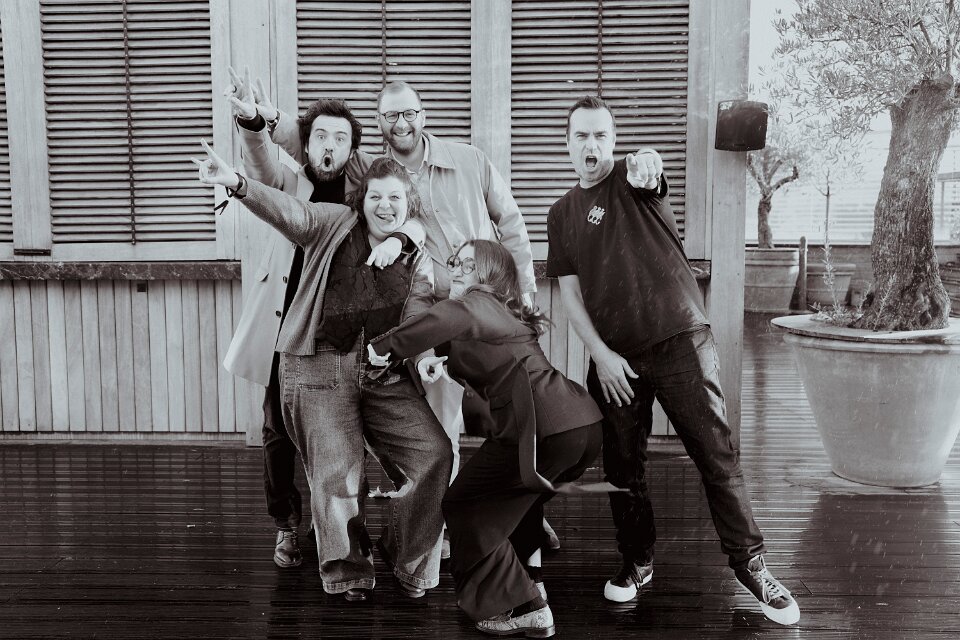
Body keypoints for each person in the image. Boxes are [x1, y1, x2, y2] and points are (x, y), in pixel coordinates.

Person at [255, 80, 561, 554]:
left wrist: (523, 293)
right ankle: (441, 530)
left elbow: (512, 224)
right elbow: (316, 144)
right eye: (390, 116)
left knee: (520, 418)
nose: (401, 124)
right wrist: (267, 120)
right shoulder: (369, 168)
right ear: (378, 123)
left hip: (489, 311)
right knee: (440, 428)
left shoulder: (469, 160)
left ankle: (526, 520)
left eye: (409, 113)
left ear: (423, 114)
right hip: (426, 314)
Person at [546, 96, 801, 626]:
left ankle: (752, 565)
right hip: (616, 358)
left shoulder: (633, 179)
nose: (591, 145)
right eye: (581, 135)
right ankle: (638, 560)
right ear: (566, 143)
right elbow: (569, 295)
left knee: (715, 454)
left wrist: (648, 163)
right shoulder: (561, 213)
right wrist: (601, 356)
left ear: (613, 142)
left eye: (600, 135)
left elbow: (650, 169)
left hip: (682, 339)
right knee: (622, 466)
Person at [197, 141, 452, 603]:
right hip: (318, 367)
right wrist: (235, 182)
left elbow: (418, 316)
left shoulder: (416, 255)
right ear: (362, 200)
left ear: (408, 203)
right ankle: (348, 571)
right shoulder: (333, 222)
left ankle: (410, 560)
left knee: (432, 453)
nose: (385, 206)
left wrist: (422, 358)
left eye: (395, 197)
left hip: (383, 373)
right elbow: (290, 213)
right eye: (376, 196)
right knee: (337, 474)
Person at [221, 69, 427, 569]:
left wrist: (406, 235)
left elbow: (407, 204)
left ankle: (343, 524)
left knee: (348, 433)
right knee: (277, 429)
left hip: (342, 331)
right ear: (306, 142)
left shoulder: (362, 183)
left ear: (353, 148)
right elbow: (261, 162)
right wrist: (254, 120)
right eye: (319, 137)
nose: (328, 146)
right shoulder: (289, 179)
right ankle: (287, 524)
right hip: (285, 321)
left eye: (340, 139)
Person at [368, 240, 603, 638]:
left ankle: (524, 607)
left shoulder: (479, 303)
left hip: (542, 428)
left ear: (492, 276)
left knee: (465, 504)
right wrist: (434, 362)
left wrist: (383, 348)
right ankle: (530, 584)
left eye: (469, 265)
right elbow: (464, 347)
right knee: (517, 503)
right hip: (577, 427)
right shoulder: (497, 314)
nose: (457, 269)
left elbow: (448, 317)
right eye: (454, 262)